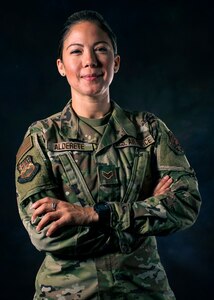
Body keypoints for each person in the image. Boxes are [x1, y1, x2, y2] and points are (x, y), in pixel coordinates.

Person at [15, 10, 201, 300]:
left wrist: (90, 215)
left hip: (144, 292)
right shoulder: (41, 137)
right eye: (76, 51)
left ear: (116, 62)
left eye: (100, 48)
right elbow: (45, 234)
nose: (90, 60)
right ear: (61, 66)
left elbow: (186, 204)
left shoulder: (149, 131)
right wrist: (143, 210)